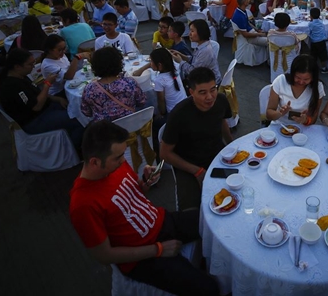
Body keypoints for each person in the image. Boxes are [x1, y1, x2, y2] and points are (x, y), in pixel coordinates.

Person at [69, 120, 219, 296]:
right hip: (142, 258)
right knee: (209, 289)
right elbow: (105, 256)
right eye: (118, 157)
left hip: (161, 221)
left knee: (217, 220)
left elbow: (135, 195)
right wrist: (158, 249)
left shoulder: (114, 164)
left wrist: (145, 183)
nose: (123, 160)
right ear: (94, 162)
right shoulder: (83, 205)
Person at [160, 67, 233, 209]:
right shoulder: (179, 114)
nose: (210, 97)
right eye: (202, 92)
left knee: (238, 189)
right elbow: (164, 154)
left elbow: (223, 122)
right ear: (191, 92)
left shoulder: (221, 100)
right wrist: (196, 171)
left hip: (217, 157)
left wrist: (232, 146)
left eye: (213, 89)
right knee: (193, 208)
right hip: (188, 165)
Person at [0, 48, 84, 150]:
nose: (33, 67)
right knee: (78, 119)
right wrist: (47, 84)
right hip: (33, 120)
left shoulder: (20, 76)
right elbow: (36, 106)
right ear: (17, 67)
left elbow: (38, 94)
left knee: (76, 108)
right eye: (30, 64)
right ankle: (75, 151)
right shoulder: (12, 86)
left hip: (45, 109)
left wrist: (57, 99)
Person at [80, 47, 147, 122]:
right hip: (131, 128)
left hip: (105, 130)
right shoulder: (130, 83)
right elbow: (142, 102)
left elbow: (86, 112)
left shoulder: (90, 89)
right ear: (119, 63)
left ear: (95, 67)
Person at [133, 48, 186, 135]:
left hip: (173, 114)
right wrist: (151, 65)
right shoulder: (175, 68)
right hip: (184, 106)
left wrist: (162, 113)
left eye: (151, 61)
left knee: (154, 123)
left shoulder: (160, 80)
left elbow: (161, 101)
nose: (150, 63)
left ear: (160, 65)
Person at [266, 54, 325, 126]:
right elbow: (269, 114)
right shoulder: (281, 81)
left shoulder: (317, 87)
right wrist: (279, 113)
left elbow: (313, 118)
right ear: (292, 73)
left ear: (313, 78)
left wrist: (306, 120)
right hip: (280, 126)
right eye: (298, 77)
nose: (301, 82)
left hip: (303, 129)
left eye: (306, 79)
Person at [171, 19, 222, 85]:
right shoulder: (202, 45)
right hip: (202, 77)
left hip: (208, 83)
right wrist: (182, 56)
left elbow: (193, 72)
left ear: (201, 32)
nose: (189, 34)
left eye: (192, 31)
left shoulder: (205, 51)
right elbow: (194, 60)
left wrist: (180, 61)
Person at [308, 7, 328, 72]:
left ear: (311, 16)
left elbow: (309, 31)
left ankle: (313, 68)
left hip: (314, 41)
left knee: (313, 55)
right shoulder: (321, 22)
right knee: (323, 55)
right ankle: (324, 67)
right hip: (322, 41)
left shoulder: (310, 24)